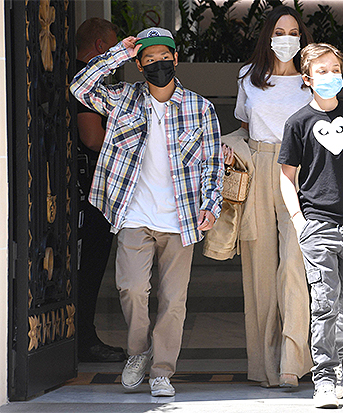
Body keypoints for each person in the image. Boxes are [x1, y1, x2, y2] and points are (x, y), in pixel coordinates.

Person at [70, 27, 224, 397]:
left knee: (173, 301)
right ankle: (138, 352)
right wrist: (119, 53)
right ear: (139, 64)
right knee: (132, 288)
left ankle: (161, 371)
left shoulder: (200, 108)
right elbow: (80, 87)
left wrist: (210, 204)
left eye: (163, 56)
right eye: (149, 58)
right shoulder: (123, 99)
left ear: (175, 59)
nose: (158, 63)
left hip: (180, 217)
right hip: (133, 214)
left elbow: (213, 163)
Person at [279, 43, 343, 408]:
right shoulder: (298, 123)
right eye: (321, 71)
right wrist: (299, 221)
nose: (330, 76)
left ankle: (335, 355)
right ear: (307, 79)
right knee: (324, 304)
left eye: (335, 68)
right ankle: (324, 376)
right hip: (316, 227)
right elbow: (287, 177)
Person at [233, 5, 313, 388]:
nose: (286, 39)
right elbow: (245, 127)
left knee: (295, 265)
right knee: (260, 268)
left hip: (301, 169)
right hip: (261, 164)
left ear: (302, 37)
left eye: (293, 31)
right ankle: (264, 364)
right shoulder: (248, 78)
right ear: (267, 36)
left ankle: (291, 363)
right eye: (279, 31)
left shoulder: (311, 80)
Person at [73, 17, 126, 363]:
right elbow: (92, 138)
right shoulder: (83, 80)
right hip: (87, 188)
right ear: (102, 47)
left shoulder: (64, 72)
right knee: (89, 263)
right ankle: (84, 339)